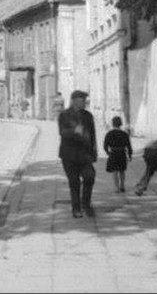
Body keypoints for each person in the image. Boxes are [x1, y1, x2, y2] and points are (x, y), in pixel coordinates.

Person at [57, 89, 97, 218]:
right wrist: (75, 131)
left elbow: (92, 135)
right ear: (74, 101)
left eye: (85, 100)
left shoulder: (88, 116)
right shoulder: (64, 115)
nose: (85, 103)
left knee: (90, 177)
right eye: (82, 100)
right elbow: (62, 132)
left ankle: (86, 204)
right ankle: (76, 208)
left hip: (85, 154)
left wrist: (94, 153)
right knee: (74, 182)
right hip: (69, 154)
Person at [102, 116, 133, 193]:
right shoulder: (124, 134)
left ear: (113, 124)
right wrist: (130, 155)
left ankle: (117, 188)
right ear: (120, 124)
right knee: (122, 170)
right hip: (122, 153)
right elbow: (129, 146)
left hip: (113, 153)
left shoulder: (109, 134)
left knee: (115, 171)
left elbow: (105, 145)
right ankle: (122, 186)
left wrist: (108, 153)